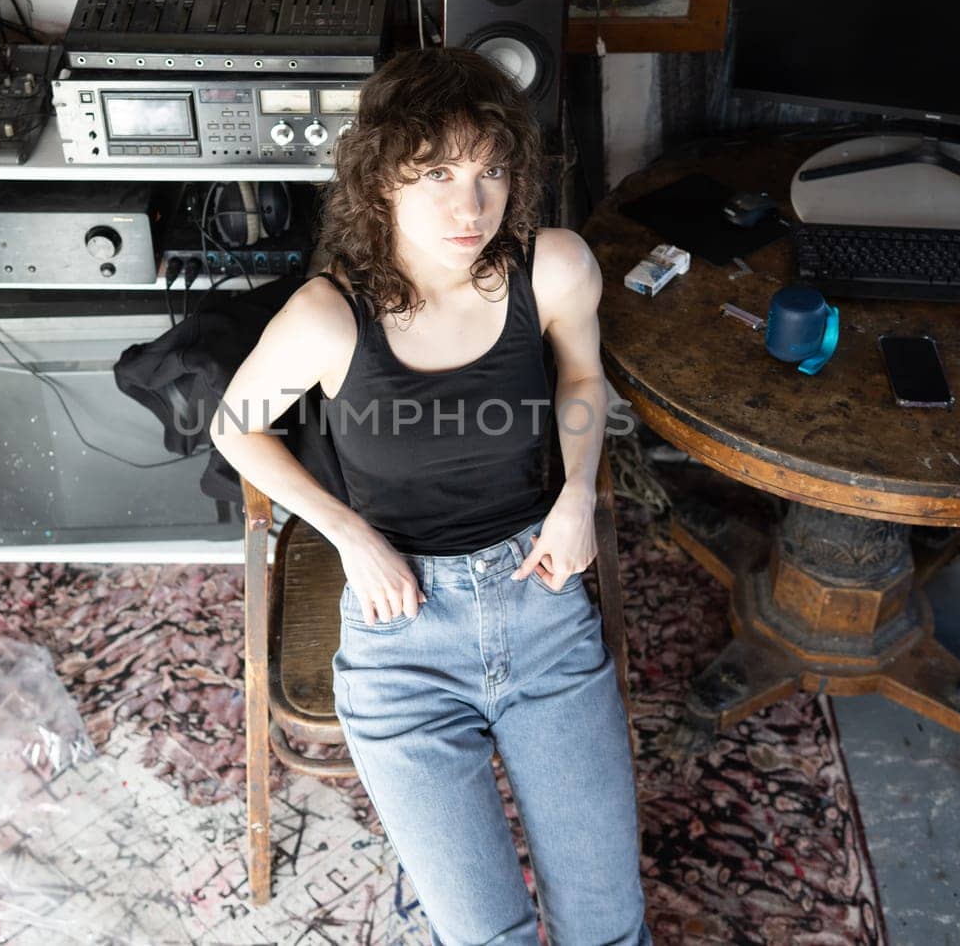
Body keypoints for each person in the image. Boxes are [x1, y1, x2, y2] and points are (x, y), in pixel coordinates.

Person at [210, 47, 649, 945]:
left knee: (609, 924)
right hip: (402, 638)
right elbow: (233, 426)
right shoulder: (330, 316)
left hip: (541, 603)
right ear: (381, 183)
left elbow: (580, 378)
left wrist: (574, 496)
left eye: (491, 173)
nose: (470, 206)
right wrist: (347, 534)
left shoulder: (553, 266)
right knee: (485, 934)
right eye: (439, 173)